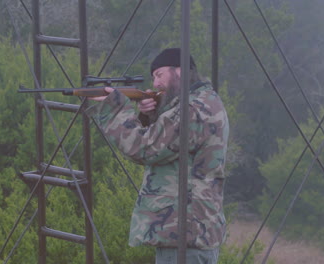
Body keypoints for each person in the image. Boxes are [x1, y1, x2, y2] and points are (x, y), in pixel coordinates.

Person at [86, 48, 229, 264]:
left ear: (179, 71)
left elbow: (144, 148)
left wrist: (115, 108)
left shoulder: (191, 109)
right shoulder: (205, 102)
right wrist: (149, 115)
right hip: (192, 232)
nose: (155, 84)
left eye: (159, 74)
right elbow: (170, 144)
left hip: (183, 234)